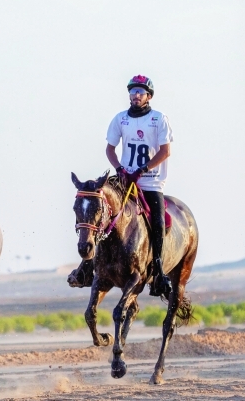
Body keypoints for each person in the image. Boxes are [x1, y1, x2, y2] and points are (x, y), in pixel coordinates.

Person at [69, 75, 173, 298]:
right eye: (133, 91)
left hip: (150, 180)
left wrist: (142, 170)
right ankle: (86, 267)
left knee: (158, 220)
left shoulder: (159, 119)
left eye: (140, 92)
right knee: (101, 212)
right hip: (125, 179)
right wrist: (119, 168)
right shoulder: (120, 119)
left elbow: (165, 152)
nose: (136, 95)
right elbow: (110, 149)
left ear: (149, 96)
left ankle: (159, 270)